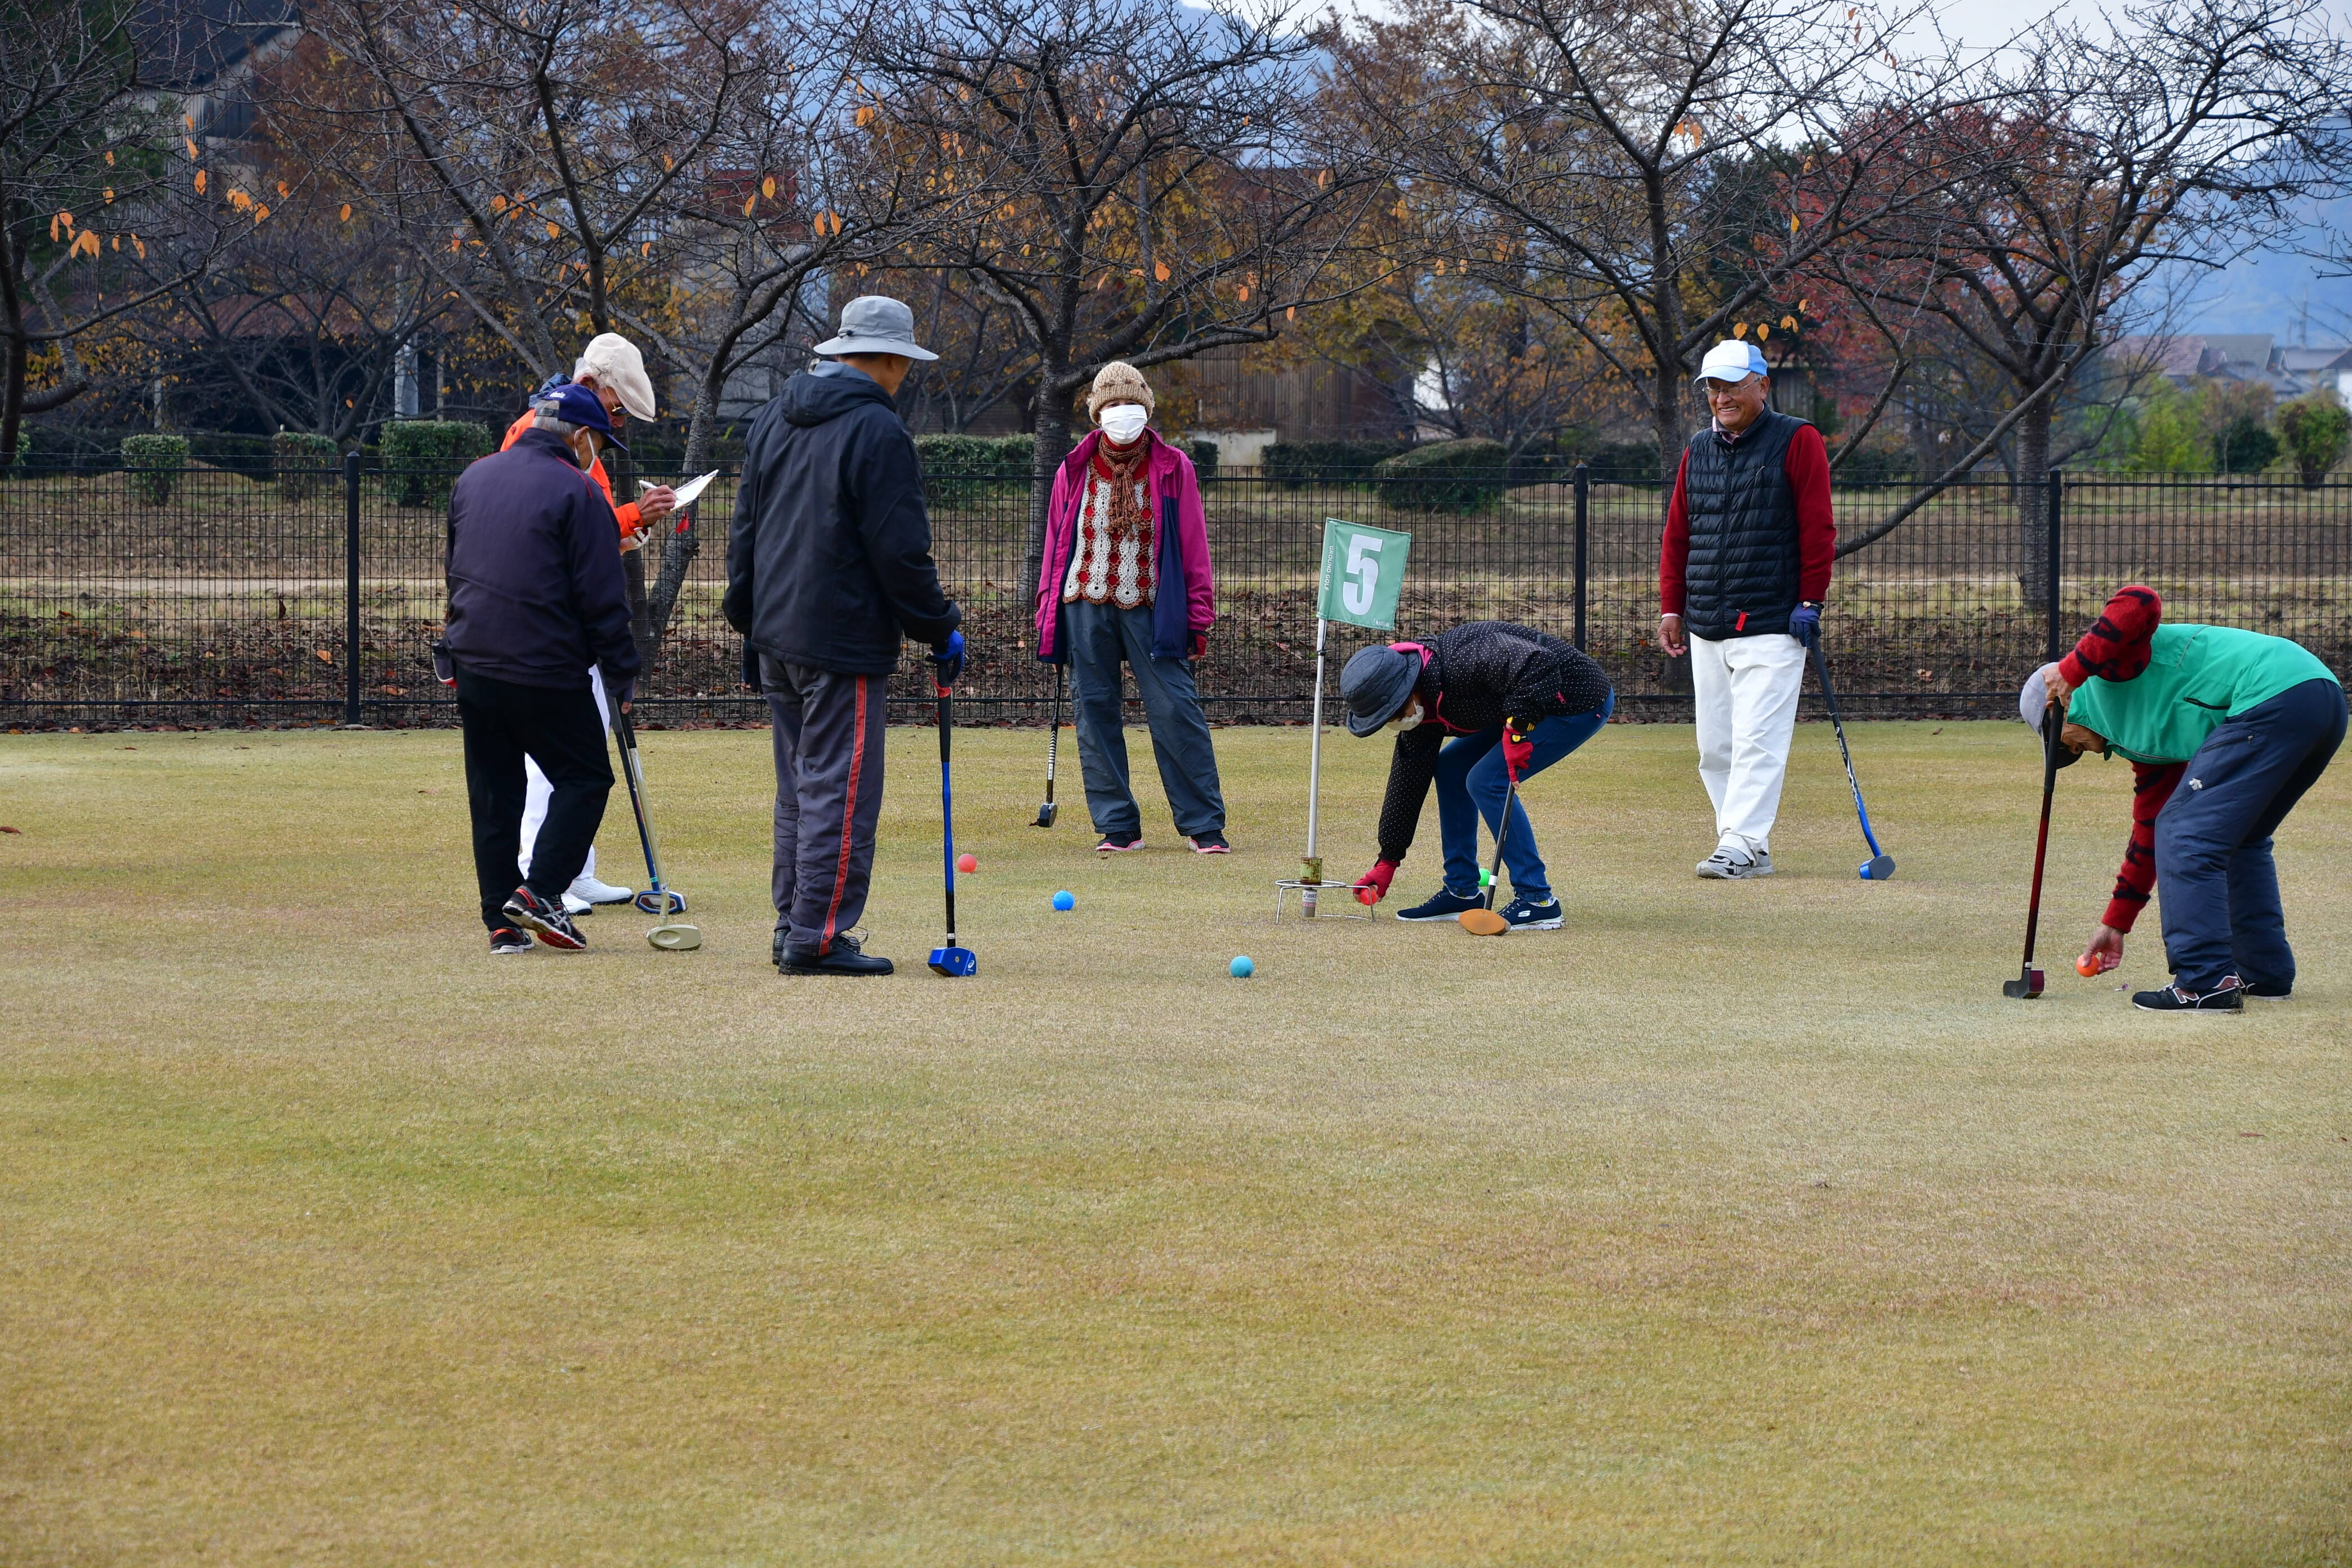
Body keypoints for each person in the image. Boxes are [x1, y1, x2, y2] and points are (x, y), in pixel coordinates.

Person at [724, 296, 963, 977]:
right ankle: (817, 935)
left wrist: (748, 621)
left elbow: (745, 528)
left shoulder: (774, 415)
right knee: (840, 787)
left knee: (801, 787)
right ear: (890, 360)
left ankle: (793, 923)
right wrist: (939, 626)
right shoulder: (877, 432)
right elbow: (900, 553)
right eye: (905, 364)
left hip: (777, 631)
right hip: (841, 637)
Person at [2025, 584, 2344, 1012]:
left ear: (2058, 705)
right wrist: (2116, 923)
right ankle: (2264, 974)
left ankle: (2204, 981)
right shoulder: (2146, 746)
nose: (2075, 750)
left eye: (2062, 741)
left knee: (2189, 833)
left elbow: (2139, 601)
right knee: (2236, 837)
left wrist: (2072, 669)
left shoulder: (2109, 669)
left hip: (2275, 694)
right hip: (2315, 699)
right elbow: (2150, 833)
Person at [443, 385, 640, 954]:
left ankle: (501, 923)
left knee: (494, 793)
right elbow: (603, 599)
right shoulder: (579, 490)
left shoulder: (474, 476)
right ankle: (540, 894)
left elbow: (456, 570)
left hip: (475, 661)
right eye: (598, 442)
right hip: (546, 667)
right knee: (585, 778)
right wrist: (623, 672)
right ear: (580, 437)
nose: (597, 453)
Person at [497, 333, 679, 913]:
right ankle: (537, 871)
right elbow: (560, 527)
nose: (616, 421)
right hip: (548, 622)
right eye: (616, 407)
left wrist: (632, 523)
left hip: (576, 621)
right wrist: (633, 516)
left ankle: (574, 870)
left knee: (584, 747)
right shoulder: (540, 435)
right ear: (592, 386)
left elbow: (594, 527)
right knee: (552, 755)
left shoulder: (583, 444)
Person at [1658, 339, 1836, 879]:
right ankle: (1741, 844)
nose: (1722, 396)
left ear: (1763, 384)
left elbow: (1818, 528)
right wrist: (1672, 606)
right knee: (1715, 747)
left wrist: (1810, 600)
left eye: (1733, 385)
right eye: (1713, 387)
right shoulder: (1698, 447)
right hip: (1709, 622)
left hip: (1773, 621)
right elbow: (1678, 533)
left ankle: (1741, 841)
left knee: (1759, 739)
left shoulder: (1797, 439)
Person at [1033, 363, 1228, 853]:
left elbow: (1193, 545)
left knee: (1175, 709)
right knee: (1094, 713)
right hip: (1083, 603)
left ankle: (1204, 825)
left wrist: (1198, 616)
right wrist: (1046, 613)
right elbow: (1056, 543)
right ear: (1098, 412)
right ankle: (1118, 826)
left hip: (1152, 606)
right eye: (1114, 405)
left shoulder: (1172, 465)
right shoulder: (1073, 468)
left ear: (1147, 407)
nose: (1124, 413)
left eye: (1132, 403)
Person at [1339, 621, 1615, 929]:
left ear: (1408, 687)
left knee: (1486, 780)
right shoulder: (1421, 707)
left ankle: (1537, 900)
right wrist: (1388, 858)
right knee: (1451, 769)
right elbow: (1407, 781)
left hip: (1572, 700)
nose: (1394, 722)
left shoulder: (1463, 662)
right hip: (1517, 701)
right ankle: (1462, 890)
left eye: (1392, 712)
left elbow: (1540, 664)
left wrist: (1517, 729)